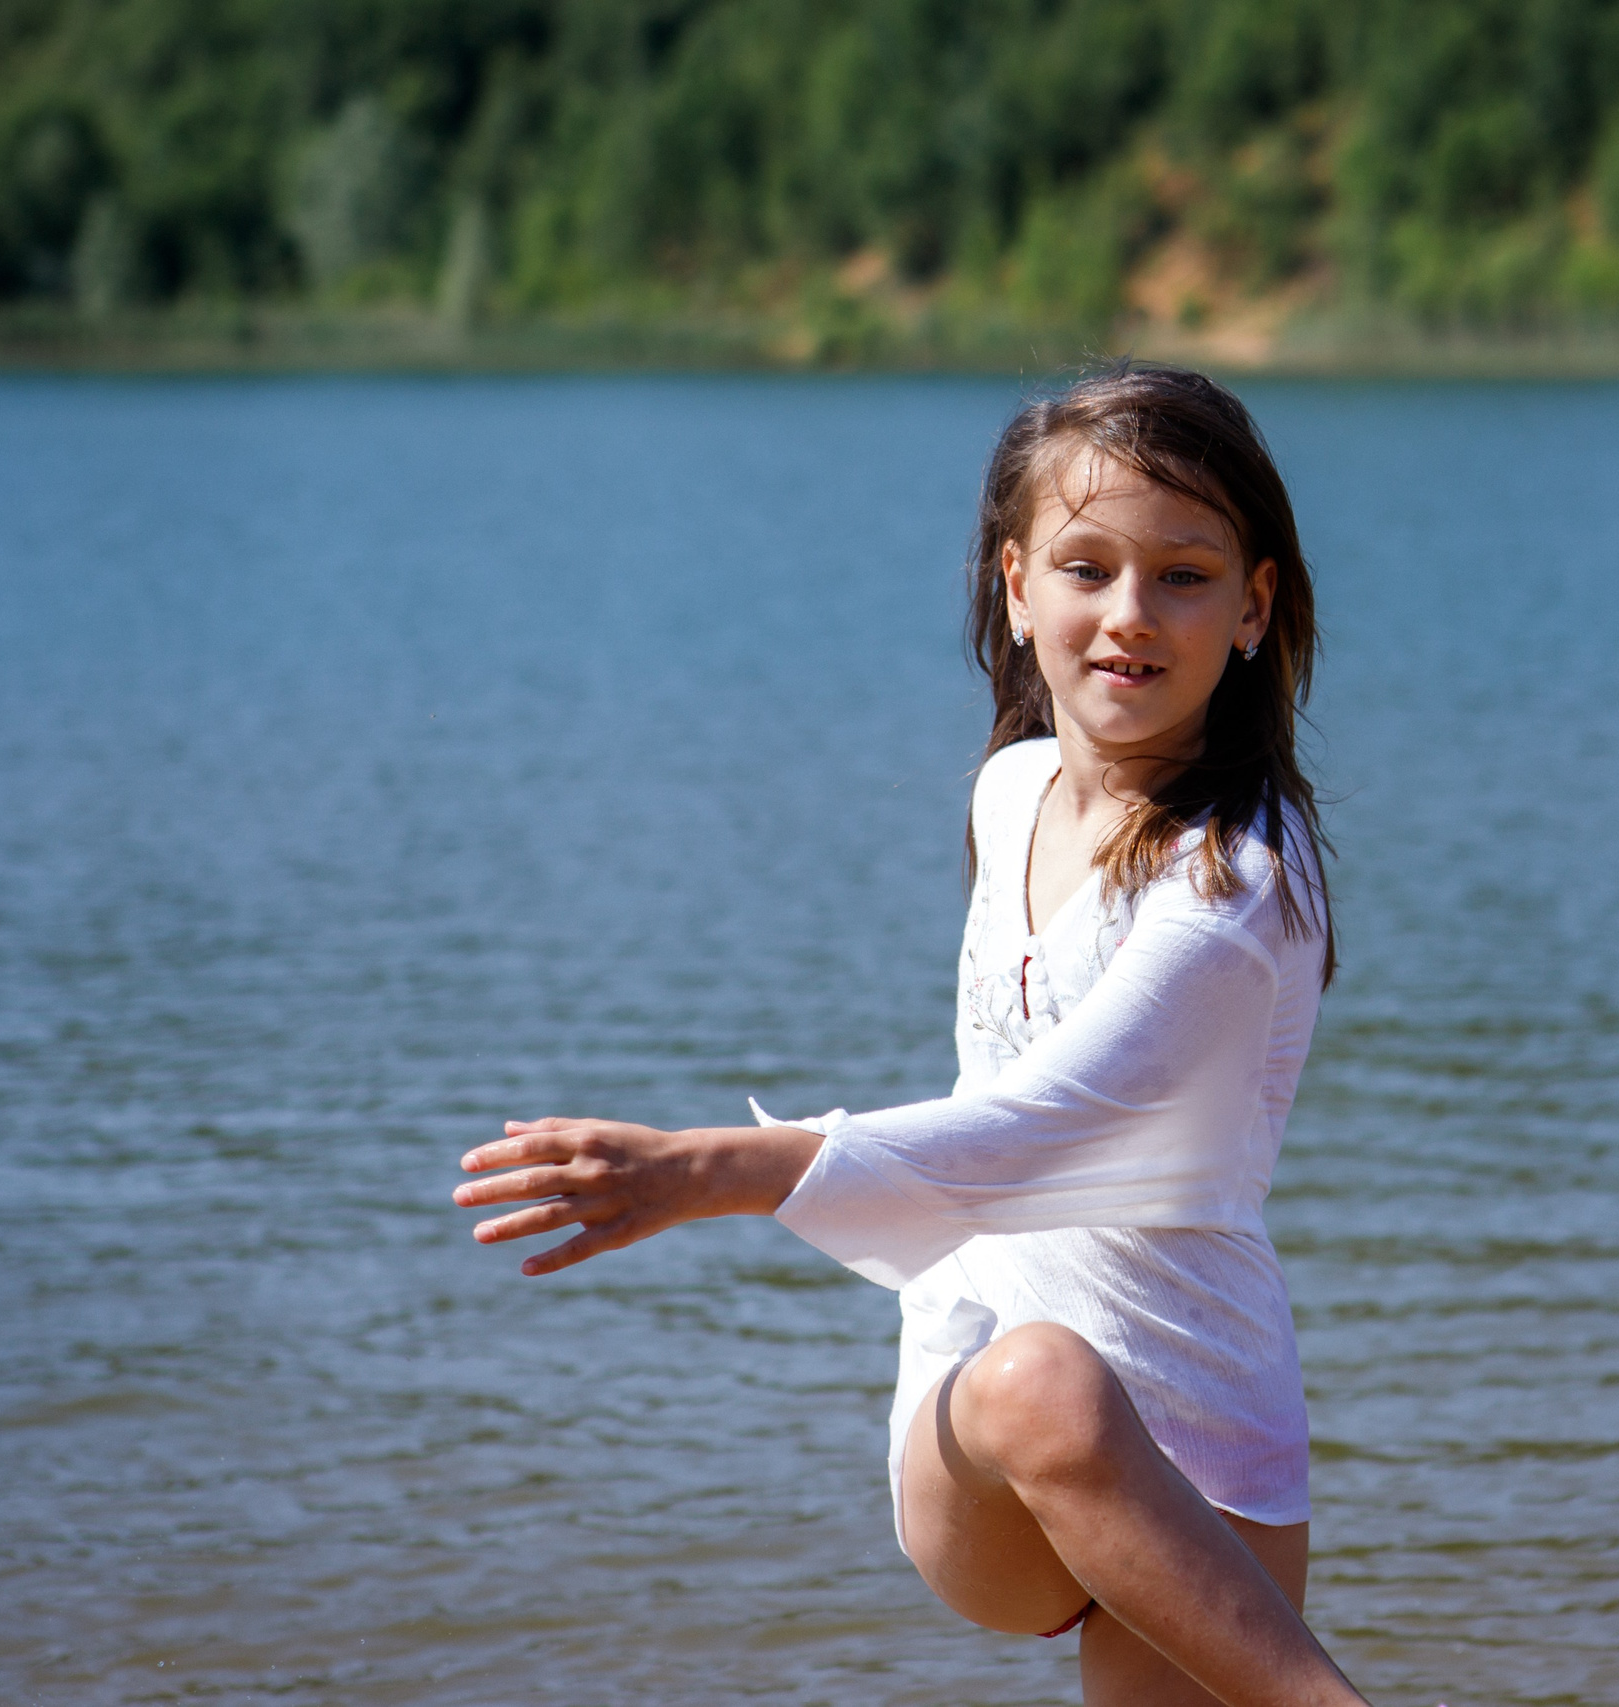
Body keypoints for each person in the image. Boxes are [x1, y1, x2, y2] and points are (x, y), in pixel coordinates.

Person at [453, 364, 1373, 1707]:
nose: (1128, 614)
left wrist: (711, 1171)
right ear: (1015, 587)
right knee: (1043, 1381)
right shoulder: (1011, 793)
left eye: (1182, 575)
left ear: (1255, 606)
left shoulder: (1234, 884)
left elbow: (1039, 1128)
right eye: (1085, 567)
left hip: (1205, 1435)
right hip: (990, 1424)